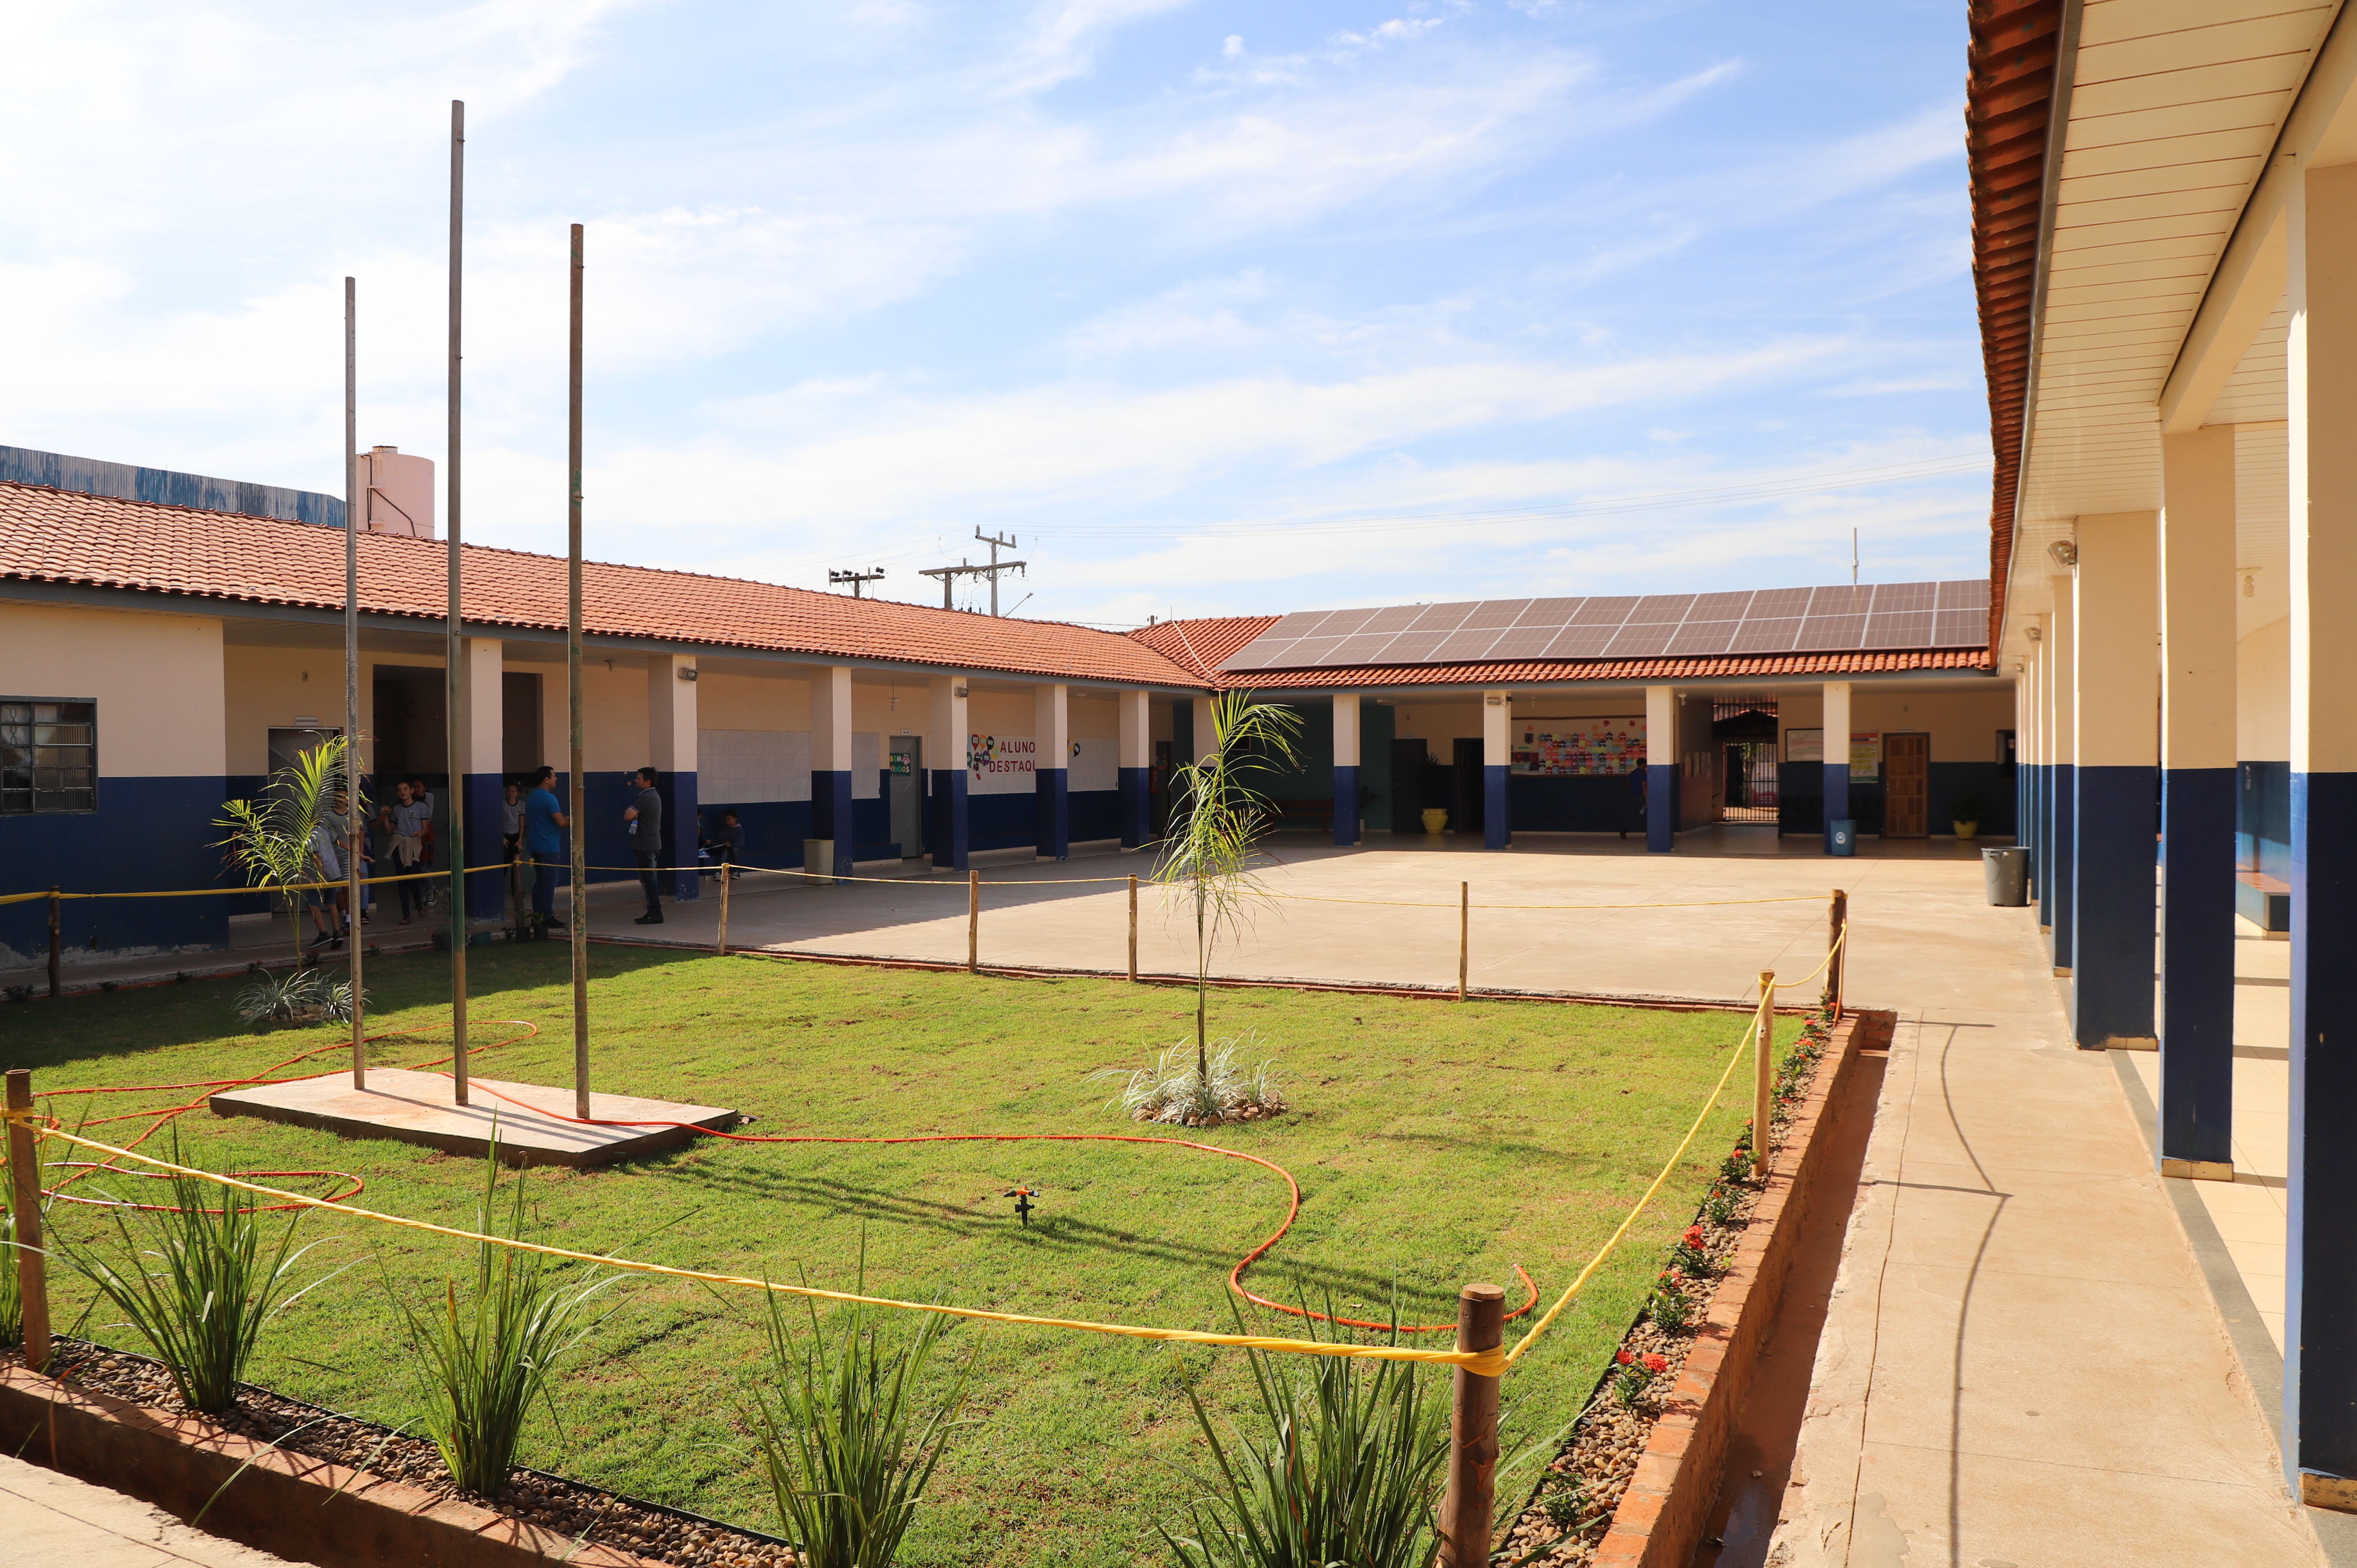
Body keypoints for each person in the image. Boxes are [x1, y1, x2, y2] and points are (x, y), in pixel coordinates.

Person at [524, 765, 568, 932]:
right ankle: (546, 916)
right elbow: (561, 822)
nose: (557, 779)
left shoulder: (533, 797)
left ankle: (538, 916)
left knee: (541, 881)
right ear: (547, 779)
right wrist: (573, 820)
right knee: (549, 882)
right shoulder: (549, 799)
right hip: (548, 846)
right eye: (554, 776)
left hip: (535, 845)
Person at [380, 779, 428, 924]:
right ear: (397, 793)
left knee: (413, 877)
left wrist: (421, 832)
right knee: (402, 880)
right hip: (399, 844)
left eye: (405, 789)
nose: (403, 792)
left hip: (413, 845)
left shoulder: (421, 807)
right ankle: (406, 914)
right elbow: (390, 831)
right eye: (400, 790)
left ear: (412, 791)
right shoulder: (397, 810)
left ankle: (419, 903)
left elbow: (425, 827)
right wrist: (385, 816)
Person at [624, 766, 665, 924]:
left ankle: (655, 911)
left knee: (649, 880)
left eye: (639, 778)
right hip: (650, 843)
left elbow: (628, 815)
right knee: (649, 879)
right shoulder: (652, 795)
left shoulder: (646, 796)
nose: (636, 780)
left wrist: (635, 814)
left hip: (646, 845)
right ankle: (653, 910)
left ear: (648, 782)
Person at [501, 778, 526, 913]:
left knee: (516, 864)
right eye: (509, 791)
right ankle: (499, 890)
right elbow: (497, 821)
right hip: (505, 836)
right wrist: (502, 837)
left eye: (514, 791)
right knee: (505, 863)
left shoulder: (521, 805)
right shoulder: (502, 804)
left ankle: (516, 890)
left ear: (518, 793)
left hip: (516, 837)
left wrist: (520, 839)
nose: (511, 794)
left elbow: (521, 822)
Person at [701, 808, 744, 880]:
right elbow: (720, 844)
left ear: (735, 819)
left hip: (736, 849)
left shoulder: (740, 830)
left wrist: (731, 845)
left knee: (735, 850)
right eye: (726, 820)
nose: (727, 822)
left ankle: (737, 871)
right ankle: (717, 872)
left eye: (729, 820)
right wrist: (711, 843)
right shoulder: (724, 829)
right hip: (726, 849)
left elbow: (739, 843)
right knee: (725, 851)